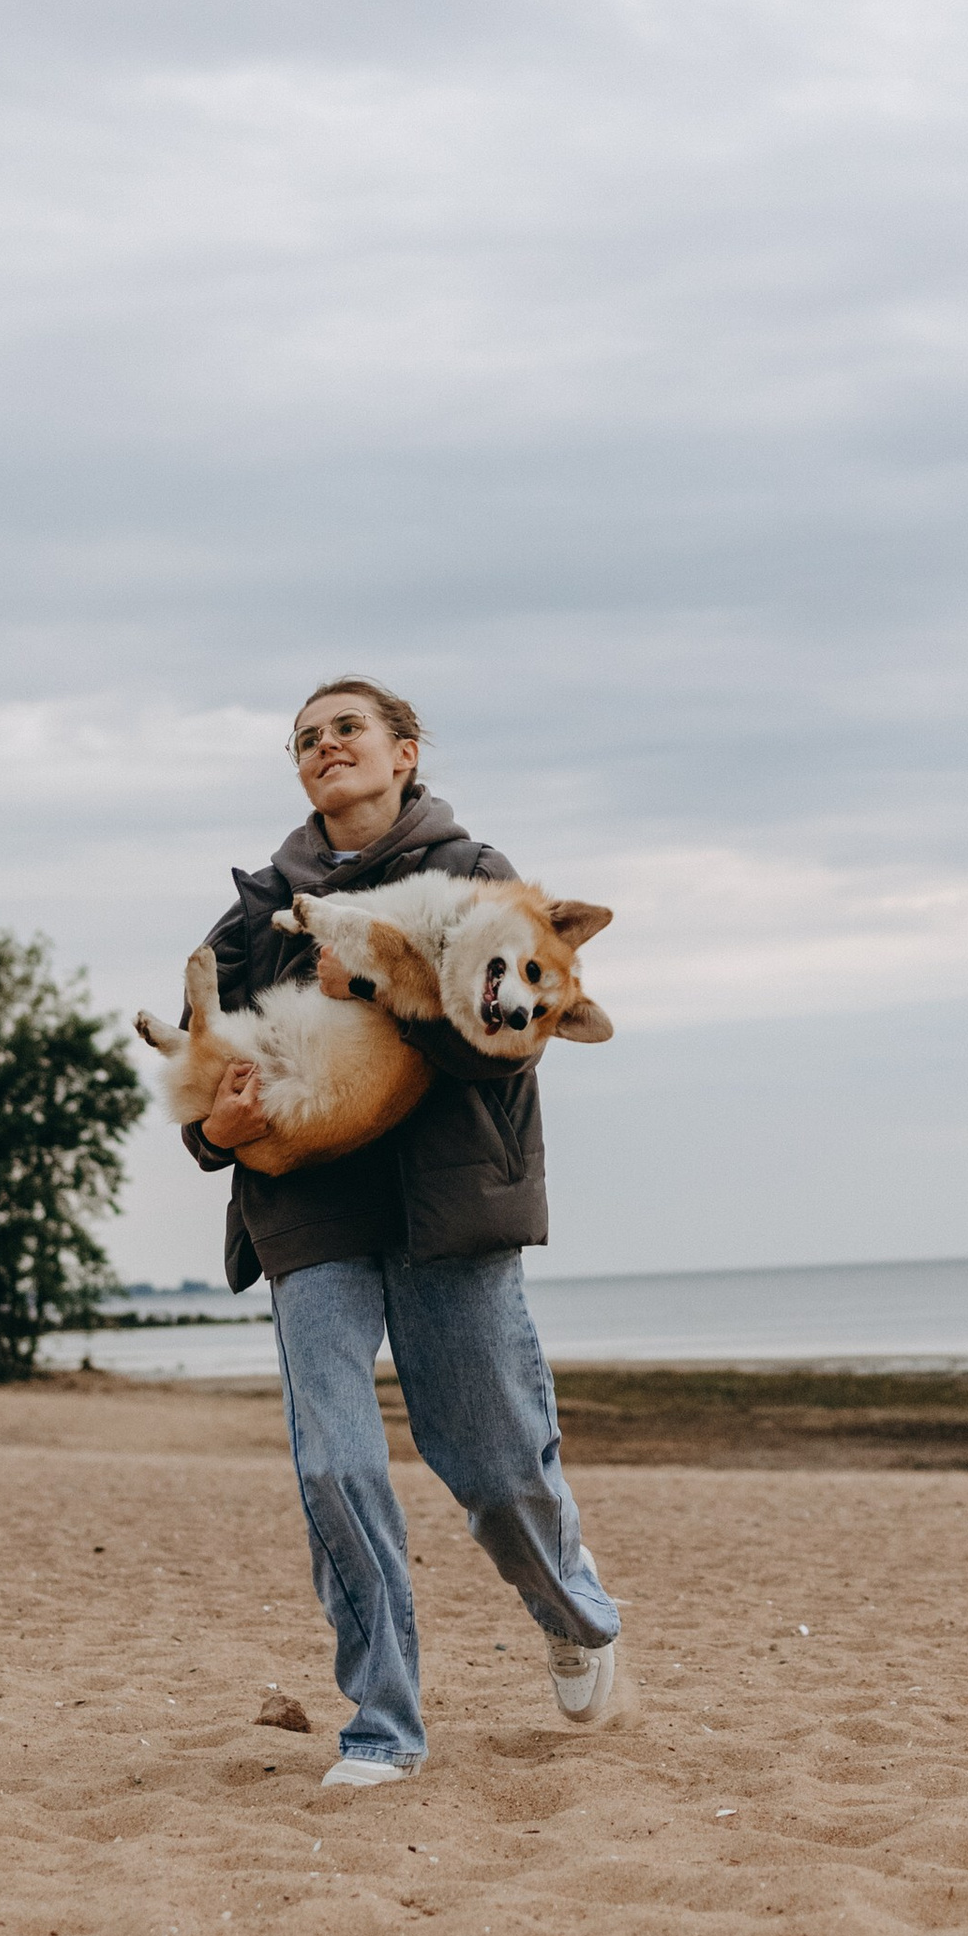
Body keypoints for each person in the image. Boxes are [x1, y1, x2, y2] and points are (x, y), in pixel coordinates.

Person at [182, 677, 619, 1790]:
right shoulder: (251, 910)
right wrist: (214, 1131)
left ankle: (570, 1611)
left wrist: (386, 984)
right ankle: (382, 1725)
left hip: (447, 1205)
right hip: (307, 1208)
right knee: (333, 1465)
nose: (323, 748)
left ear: (404, 755)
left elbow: (507, 1040)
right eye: (304, 739)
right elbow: (206, 1062)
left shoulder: (478, 880)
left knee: (494, 1463)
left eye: (347, 730)